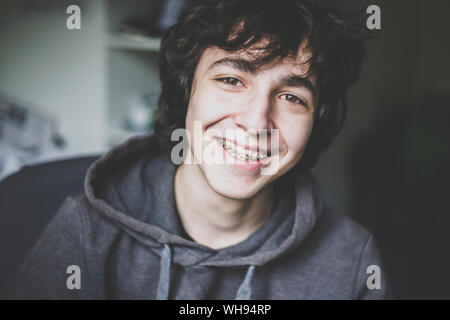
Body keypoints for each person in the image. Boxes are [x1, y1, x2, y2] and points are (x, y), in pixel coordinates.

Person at [3, 0, 391, 299]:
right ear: (186, 89)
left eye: (291, 96)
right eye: (231, 79)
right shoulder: (86, 230)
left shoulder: (351, 259)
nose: (255, 123)